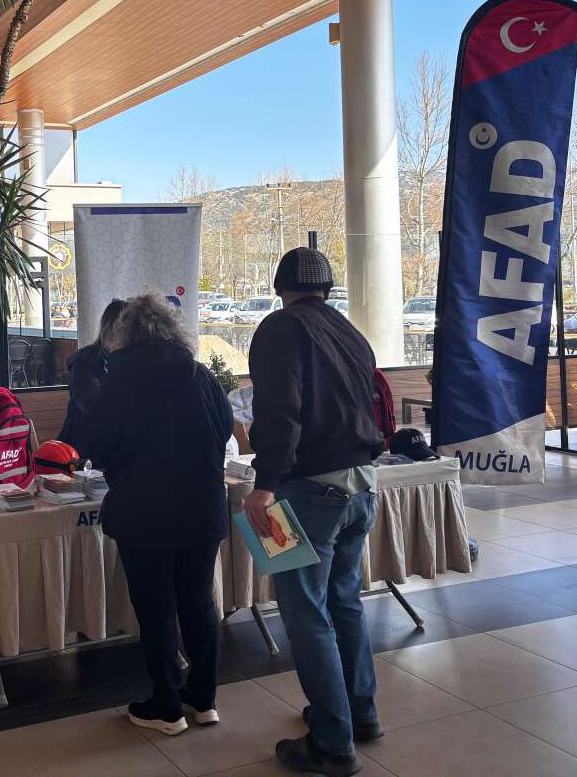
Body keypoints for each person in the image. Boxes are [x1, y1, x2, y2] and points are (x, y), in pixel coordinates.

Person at [244, 248, 384, 777]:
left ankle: (331, 742)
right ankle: (360, 714)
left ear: (281, 288)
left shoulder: (279, 328)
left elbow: (279, 411)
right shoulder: (349, 331)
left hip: (306, 493)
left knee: (305, 615)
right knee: (344, 602)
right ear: (328, 289)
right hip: (360, 487)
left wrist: (264, 485)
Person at [77, 293, 232, 736]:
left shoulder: (122, 381)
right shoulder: (201, 375)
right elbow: (224, 430)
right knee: (200, 604)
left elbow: (95, 443)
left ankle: (166, 707)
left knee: (157, 610)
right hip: (202, 508)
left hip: (144, 512)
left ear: (126, 333)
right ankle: (203, 700)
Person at [59, 298, 126, 448]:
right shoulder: (84, 362)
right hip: (80, 450)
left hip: (111, 445)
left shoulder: (127, 361)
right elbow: (93, 407)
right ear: (111, 331)